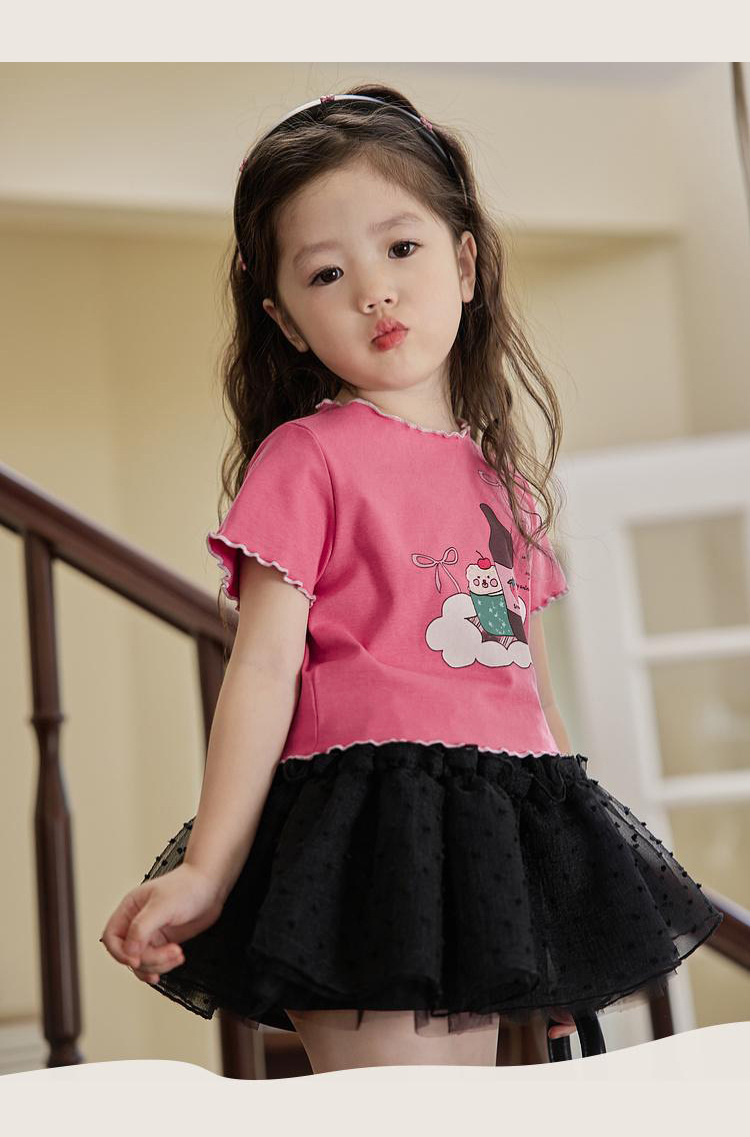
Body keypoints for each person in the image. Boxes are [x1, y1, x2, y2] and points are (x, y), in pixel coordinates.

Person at [100, 85, 723, 1073]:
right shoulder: (306, 458)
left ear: (465, 263)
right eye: (327, 272)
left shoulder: (504, 482)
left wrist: (561, 909)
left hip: (496, 838)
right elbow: (261, 670)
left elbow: (532, 696)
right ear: (287, 321)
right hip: (370, 835)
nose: (375, 292)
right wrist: (208, 868)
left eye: (401, 248)